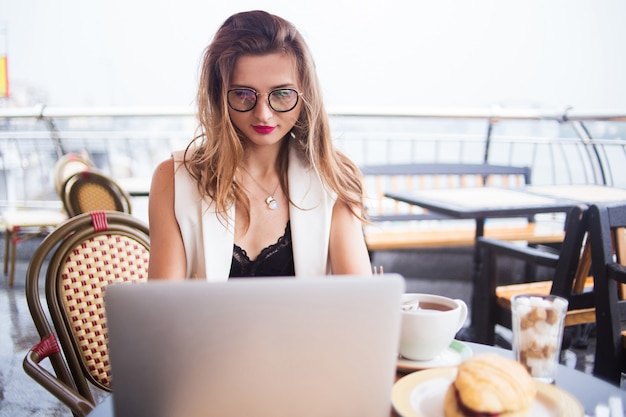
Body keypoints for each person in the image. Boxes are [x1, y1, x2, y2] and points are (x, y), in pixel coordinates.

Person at [147, 10, 372, 280]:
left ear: (305, 95)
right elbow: (164, 312)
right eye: (243, 94)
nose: (263, 114)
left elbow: (358, 304)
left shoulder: (334, 178)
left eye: (281, 94)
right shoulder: (173, 180)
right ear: (219, 95)